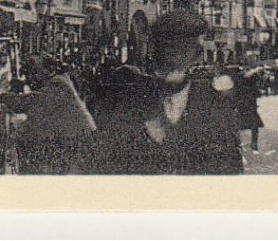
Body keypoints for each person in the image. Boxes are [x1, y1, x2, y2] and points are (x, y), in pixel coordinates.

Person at [87, 10, 243, 174]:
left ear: (197, 54)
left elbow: (230, 169)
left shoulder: (215, 105)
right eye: (168, 45)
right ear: (153, 49)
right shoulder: (126, 99)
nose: (172, 54)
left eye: (184, 47)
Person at [235, 66, 266, 152]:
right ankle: (253, 146)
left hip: (243, 105)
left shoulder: (240, 80)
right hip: (248, 105)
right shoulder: (249, 82)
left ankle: (240, 145)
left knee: (239, 126)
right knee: (253, 126)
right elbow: (257, 93)